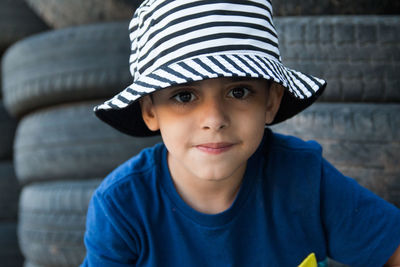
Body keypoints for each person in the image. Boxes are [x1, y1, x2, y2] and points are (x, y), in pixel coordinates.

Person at [81, 0, 400, 266]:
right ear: (149, 110)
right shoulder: (122, 207)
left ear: (271, 101)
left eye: (239, 91)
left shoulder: (304, 179)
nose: (215, 120)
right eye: (184, 96)